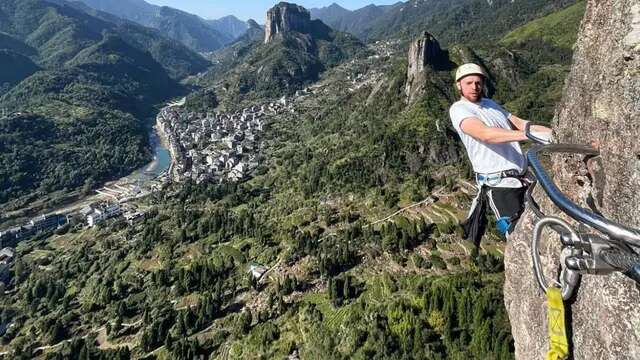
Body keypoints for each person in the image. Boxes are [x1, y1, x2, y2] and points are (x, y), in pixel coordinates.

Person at [449, 63, 552, 246]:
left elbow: (520, 123)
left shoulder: (491, 104)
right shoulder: (459, 110)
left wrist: (553, 134)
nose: (474, 87)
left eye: (478, 82)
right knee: (521, 240)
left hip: (524, 178)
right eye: (469, 83)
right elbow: (485, 134)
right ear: (459, 85)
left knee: (547, 228)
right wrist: (528, 136)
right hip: (501, 187)